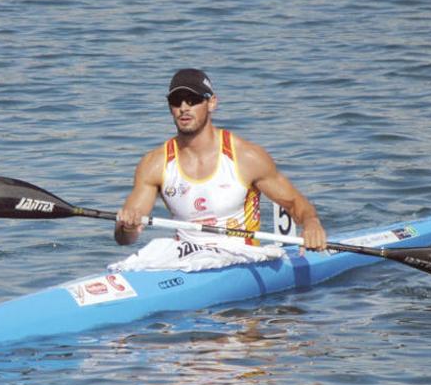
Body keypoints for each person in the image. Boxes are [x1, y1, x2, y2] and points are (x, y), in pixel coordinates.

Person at [113, 68, 326, 269]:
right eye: (176, 101)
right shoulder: (154, 164)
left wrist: (312, 223)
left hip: (240, 257)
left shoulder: (246, 157)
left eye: (193, 100)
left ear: (212, 103)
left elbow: (296, 203)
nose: (184, 108)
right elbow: (124, 240)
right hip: (185, 257)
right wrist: (127, 227)